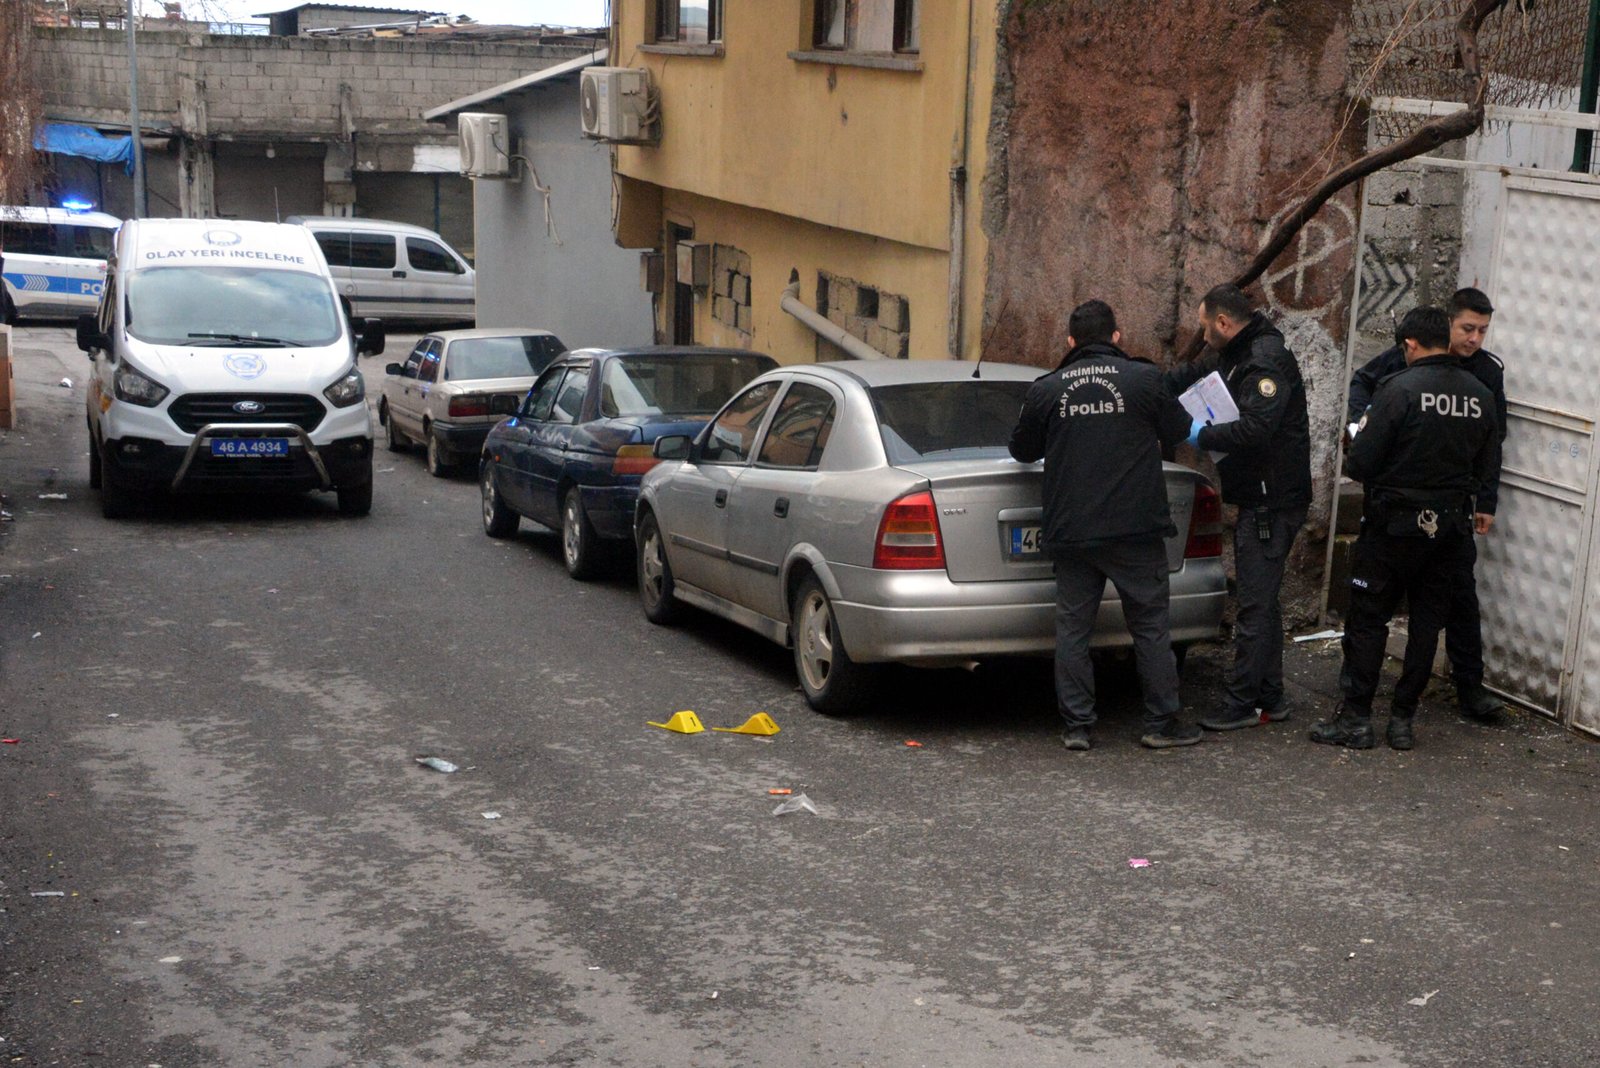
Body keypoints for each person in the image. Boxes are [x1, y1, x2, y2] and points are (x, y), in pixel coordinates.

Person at [1010, 299, 1202, 750]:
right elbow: (1178, 429)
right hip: (1136, 529)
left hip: (1073, 531)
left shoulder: (1047, 389)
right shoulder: (1144, 380)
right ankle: (1161, 724)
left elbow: (1022, 450)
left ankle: (1078, 726)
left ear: (1070, 342)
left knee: (1073, 630)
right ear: (1117, 337)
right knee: (1151, 627)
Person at [1313, 306, 1499, 750]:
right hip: (1449, 531)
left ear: (1411, 345)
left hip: (1393, 529)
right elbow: (1486, 463)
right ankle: (1402, 720)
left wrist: (1357, 438)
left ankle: (1356, 719)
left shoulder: (1398, 389)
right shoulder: (1480, 394)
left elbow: (1361, 463)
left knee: (1369, 618)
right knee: (1425, 626)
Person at [1165, 283, 1312, 731]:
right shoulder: (1235, 353)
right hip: (1259, 495)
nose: (1203, 333)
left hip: (1272, 501)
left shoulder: (1263, 362)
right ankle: (1271, 697)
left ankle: (1245, 701)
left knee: (1252, 604)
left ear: (1224, 323)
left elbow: (1255, 431)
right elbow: (1191, 374)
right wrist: (1137, 380)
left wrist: (1200, 436)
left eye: (1206, 326)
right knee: (1262, 602)